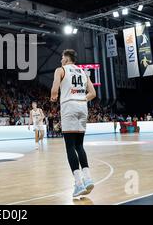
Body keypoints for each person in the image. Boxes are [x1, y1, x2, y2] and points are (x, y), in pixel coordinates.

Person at [50, 49, 96, 198]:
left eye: (62, 57)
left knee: (70, 146)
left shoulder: (60, 70)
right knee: (79, 145)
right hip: (82, 107)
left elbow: (55, 88)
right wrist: (81, 100)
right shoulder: (83, 72)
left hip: (69, 107)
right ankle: (88, 178)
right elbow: (93, 93)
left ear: (66, 58)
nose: (60, 60)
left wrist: (54, 96)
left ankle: (78, 183)